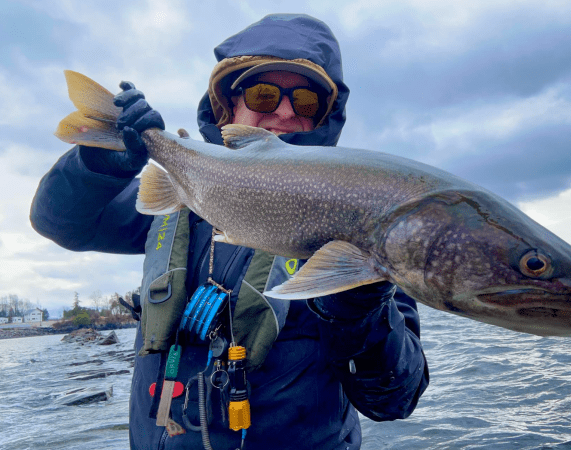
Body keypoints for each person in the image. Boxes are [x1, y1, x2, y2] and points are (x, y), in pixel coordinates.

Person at [30, 14, 429, 450]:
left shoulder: (367, 223)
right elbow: (60, 222)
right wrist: (97, 165)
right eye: (263, 94)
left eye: (307, 102)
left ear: (323, 120)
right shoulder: (179, 201)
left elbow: (394, 398)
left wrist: (359, 305)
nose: (283, 111)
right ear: (229, 106)